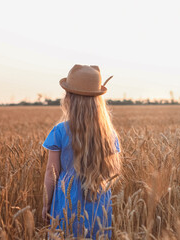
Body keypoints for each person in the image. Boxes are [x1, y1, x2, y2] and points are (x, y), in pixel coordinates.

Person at [42, 64, 121, 239]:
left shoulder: (59, 131)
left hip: (65, 199)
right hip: (98, 196)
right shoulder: (108, 134)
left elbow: (51, 172)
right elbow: (110, 170)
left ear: (69, 98)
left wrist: (46, 205)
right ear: (98, 102)